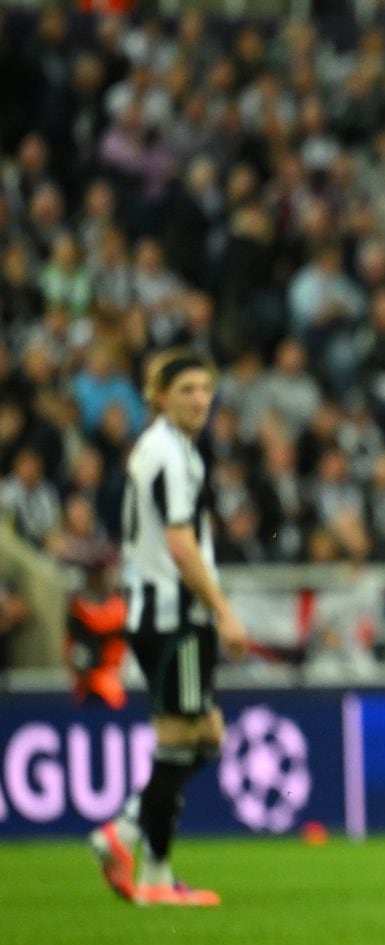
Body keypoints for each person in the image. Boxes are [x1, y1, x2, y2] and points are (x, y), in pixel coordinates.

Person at [87, 351, 249, 906]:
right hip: (174, 615)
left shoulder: (167, 448)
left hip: (165, 613)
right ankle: (123, 834)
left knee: (201, 737)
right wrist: (223, 610)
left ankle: (155, 872)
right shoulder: (169, 454)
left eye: (205, 388)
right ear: (159, 397)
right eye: (186, 390)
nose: (200, 399)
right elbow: (180, 543)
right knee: (185, 740)